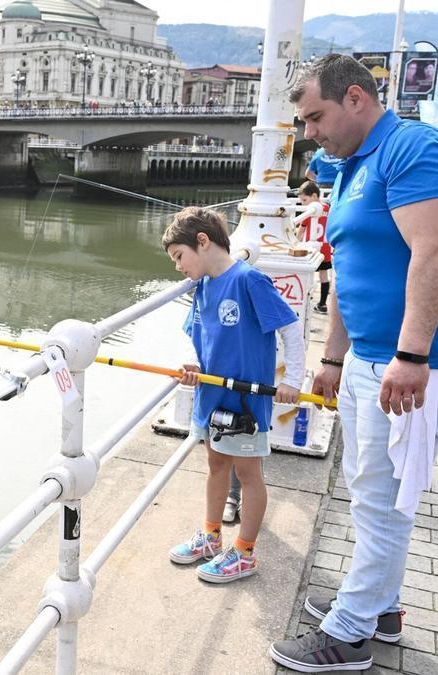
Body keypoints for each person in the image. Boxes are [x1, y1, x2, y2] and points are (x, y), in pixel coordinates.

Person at [272, 54, 438, 672]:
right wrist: (332, 357)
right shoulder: (353, 165)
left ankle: (350, 633)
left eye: (315, 117)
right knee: (369, 491)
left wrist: (413, 355)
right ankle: (380, 606)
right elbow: (350, 268)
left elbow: (434, 253)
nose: (309, 132)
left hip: (416, 365)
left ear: (356, 97)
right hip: (369, 360)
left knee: (383, 499)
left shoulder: (413, 150)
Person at [162, 207, 304, 585]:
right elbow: (198, 337)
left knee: (248, 471)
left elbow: (290, 328)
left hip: (245, 400)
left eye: (180, 256)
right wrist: (193, 365)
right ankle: (211, 536)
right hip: (211, 397)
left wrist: (293, 379)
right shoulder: (203, 287)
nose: (178, 267)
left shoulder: (248, 280)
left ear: (203, 242)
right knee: (215, 464)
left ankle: (244, 552)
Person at [294, 180, 332, 314]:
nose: (303, 204)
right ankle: (322, 304)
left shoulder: (310, 211)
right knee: (324, 276)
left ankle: (304, 302)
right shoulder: (328, 209)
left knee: (307, 274)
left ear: (315, 196)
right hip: (326, 247)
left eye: (305, 200)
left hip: (312, 247)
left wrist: (294, 244)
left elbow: (301, 230)